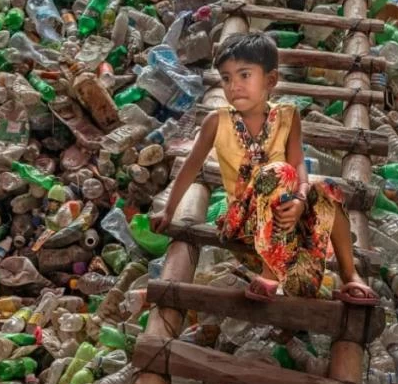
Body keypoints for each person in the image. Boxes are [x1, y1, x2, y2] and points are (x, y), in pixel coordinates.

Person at [150, 31, 378, 304]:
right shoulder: (217, 121)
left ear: (271, 80)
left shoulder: (287, 116)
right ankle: (270, 274)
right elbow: (190, 167)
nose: (234, 86)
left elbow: (298, 166)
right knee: (277, 172)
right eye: (226, 78)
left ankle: (350, 276)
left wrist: (300, 200)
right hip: (244, 221)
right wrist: (169, 209)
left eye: (244, 75)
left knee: (326, 191)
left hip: (285, 224)